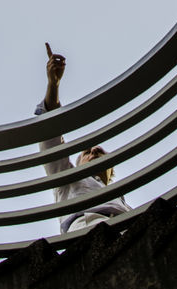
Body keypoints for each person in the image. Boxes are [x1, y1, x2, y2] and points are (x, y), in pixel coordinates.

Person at [34, 43, 130, 232]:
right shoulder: (67, 179)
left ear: (112, 170)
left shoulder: (119, 195)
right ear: (78, 164)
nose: (94, 150)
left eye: (100, 151)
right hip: (88, 225)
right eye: (87, 152)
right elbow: (51, 143)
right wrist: (53, 86)